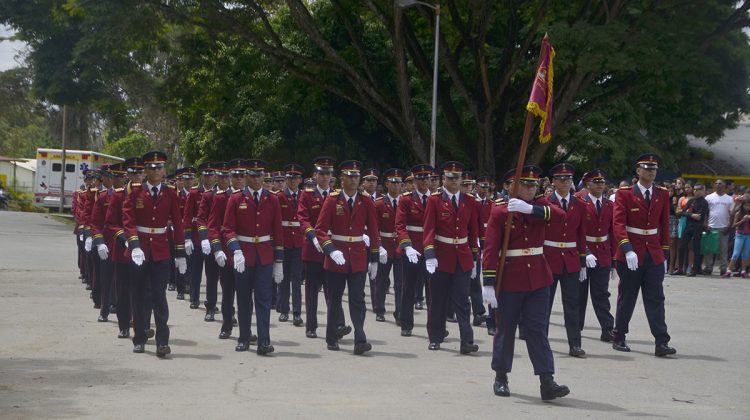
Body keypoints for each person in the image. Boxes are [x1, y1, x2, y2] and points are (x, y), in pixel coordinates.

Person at [481, 165, 569, 400]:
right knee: (506, 329)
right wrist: (488, 282)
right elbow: (491, 249)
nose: (531, 188)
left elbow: (561, 217)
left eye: (534, 184)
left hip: (538, 278)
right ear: (513, 186)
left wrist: (531, 210)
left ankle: (546, 381)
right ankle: (501, 376)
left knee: (537, 329)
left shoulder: (539, 206)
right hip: (510, 278)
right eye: (525, 184)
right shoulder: (501, 211)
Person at [122, 151, 188, 357]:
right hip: (139, 250)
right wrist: (134, 246)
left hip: (160, 250)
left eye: (159, 167)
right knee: (139, 295)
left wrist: (180, 253)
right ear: (145, 171)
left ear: (164, 170)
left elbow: (178, 223)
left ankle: (162, 341)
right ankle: (139, 337)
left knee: (159, 296)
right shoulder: (134, 192)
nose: (156, 171)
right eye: (151, 168)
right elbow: (128, 221)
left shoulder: (170, 194)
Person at [611, 153, 676, 357]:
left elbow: (664, 225)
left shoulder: (662, 194)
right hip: (631, 252)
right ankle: (619, 336)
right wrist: (626, 248)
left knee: (656, 298)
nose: (651, 172)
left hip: (653, 253)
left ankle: (661, 341)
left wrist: (664, 254)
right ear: (638, 171)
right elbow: (618, 224)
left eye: (654, 169)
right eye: (647, 168)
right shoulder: (625, 194)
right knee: (627, 297)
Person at [315, 160, 380, 355]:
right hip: (337, 257)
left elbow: (374, 230)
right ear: (342, 179)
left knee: (357, 299)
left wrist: (374, 257)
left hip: (358, 257)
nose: (353, 180)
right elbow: (320, 229)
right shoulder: (332, 200)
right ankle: (332, 336)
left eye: (356, 177)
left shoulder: (366, 200)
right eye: (349, 177)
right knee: (334, 299)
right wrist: (330, 249)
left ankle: (360, 338)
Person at [222, 159, 284, 355]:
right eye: (253, 175)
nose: (257, 179)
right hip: (243, 255)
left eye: (260, 175)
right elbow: (227, 229)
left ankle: (264, 341)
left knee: (264, 300)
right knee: (243, 299)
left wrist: (279, 261)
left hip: (264, 256)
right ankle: (244, 337)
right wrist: (236, 249)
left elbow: (278, 232)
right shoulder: (236, 198)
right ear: (247, 176)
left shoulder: (272, 199)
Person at [423, 161, 479, 354]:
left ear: (462, 179)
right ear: (443, 179)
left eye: (457, 178)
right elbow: (429, 229)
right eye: (450, 177)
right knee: (438, 299)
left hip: (462, 256)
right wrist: (429, 253)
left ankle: (467, 341)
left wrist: (474, 257)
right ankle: (435, 337)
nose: (454, 181)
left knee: (463, 300)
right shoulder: (435, 200)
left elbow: (473, 231)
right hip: (441, 255)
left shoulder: (470, 201)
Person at [298, 157, 350, 340]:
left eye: (328, 173)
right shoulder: (307, 194)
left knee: (333, 289)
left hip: (332, 249)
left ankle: (338, 323)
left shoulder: (337, 195)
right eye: (322, 173)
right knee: (312, 291)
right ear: (315, 175)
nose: (325, 177)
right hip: (313, 249)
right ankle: (311, 326)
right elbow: (303, 219)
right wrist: (313, 237)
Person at [545, 163, 588, 358]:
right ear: (553, 182)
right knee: (544, 303)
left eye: (568, 179)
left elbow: (581, 235)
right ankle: (541, 341)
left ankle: (575, 344)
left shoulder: (579, 205)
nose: (565, 182)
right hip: (549, 258)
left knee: (572, 304)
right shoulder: (545, 203)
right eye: (561, 179)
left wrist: (582, 262)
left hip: (570, 259)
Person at [209, 159, 247, 340]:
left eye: (242, 176)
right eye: (235, 176)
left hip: (246, 252)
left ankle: (246, 330)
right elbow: (213, 226)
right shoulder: (220, 197)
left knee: (246, 293)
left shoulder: (251, 196)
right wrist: (217, 249)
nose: (239, 179)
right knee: (228, 292)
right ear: (230, 178)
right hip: (226, 251)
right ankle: (226, 325)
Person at [395, 164, 433, 337]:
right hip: (412, 249)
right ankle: (406, 323)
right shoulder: (406, 199)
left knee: (433, 290)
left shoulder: (436, 199)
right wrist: (407, 245)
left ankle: (434, 326)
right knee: (408, 288)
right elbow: (400, 225)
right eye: (420, 178)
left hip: (431, 249)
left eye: (426, 178)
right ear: (414, 180)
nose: (423, 182)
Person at [578, 169, 615, 342]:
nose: (600, 185)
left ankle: (607, 328)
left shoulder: (609, 205)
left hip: (603, 253)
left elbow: (613, 233)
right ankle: (575, 328)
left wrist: (614, 259)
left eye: (602, 181)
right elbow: (574, 231)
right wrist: (584, 252)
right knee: (579, 294)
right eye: (596, 182)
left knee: (601, 293)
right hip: (583, 253)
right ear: (587, 185)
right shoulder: (580, 203)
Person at [183, 162, 217, 309]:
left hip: (213, 238)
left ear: (215, 176)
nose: (208, 178)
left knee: (212, 273)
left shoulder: (218, 193)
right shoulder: (195, 192)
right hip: (198, 238)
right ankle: (194, 298)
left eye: (211, 175)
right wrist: (188, 237)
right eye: (206, 175)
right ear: (202, 176)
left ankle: (211, 301)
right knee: (196, 270)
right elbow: (188, 216)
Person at [196, 162, 227, 321]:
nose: (224, 179)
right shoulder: (209, 195)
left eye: (226, 176)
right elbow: (201, 219)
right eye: (221, 176)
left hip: (228, 240)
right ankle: (210, 307)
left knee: (228, 279)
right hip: (212, 238)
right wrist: (204, 238)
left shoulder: (234, 195)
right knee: (212, 276)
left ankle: (229, 311)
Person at [373, 168, 403, 324]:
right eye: (393, 182)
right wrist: (378, 246)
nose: (396, 186)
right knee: (382, 279)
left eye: (399, 183)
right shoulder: (379, 203)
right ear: (386, 184)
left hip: (400, 245)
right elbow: (374, 227)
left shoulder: (404, 201)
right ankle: (379, 309)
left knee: (400, 282)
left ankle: (399, 311)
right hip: (385, 244)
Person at [277, 163, 305, 326]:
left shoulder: (303, 195)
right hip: (284, 241)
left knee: (296, 279)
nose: (292, 181)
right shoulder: (279, 196)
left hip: (299, 241)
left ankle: (296, 312)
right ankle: (284, 310)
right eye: (290, 178)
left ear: (300, 180)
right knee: (284, 278)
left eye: (295, 178)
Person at [476, 175, 498, 335]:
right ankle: (478, 312)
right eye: (482, 187)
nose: (485, 190)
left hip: (490, 247)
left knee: (492, 283)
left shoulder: (493, 205)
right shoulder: (472, 203)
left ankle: (491, 318)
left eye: (487, 187)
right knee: (474, 282)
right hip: (476, 246)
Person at [704, 179, 734, 275]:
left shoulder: (729, 199)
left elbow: (732, 214)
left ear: (724, 186)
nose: (718, 185)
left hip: (723, 227)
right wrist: (706, 224)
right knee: (709, 248)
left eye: (720, 183)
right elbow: (705, 212)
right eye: (716, 183)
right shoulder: (709, 197)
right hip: (711, 226)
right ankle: (708, 267)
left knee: (723, 249)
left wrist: (729, 227)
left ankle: (723, 268)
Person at [678, 182, 708, 277]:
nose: (696, 191)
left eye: (698, 189)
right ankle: (680, 268)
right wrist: (691, 214)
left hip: (697, 227)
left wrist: (689, 214)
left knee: (696, 248)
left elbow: (699, 217)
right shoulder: (691, 201)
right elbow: (682, 212)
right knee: (681, 247)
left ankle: (695, 270)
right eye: (695, 189)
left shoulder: (704, 202)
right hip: (688, 226)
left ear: (703, 191)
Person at [723, 195, 750, 278]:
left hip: (748, 236)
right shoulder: (739, 213)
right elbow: (734, 225)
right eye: (746, 205)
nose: (747, 207)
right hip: (740, 235)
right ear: (742, 205)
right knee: (735, 254)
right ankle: (729, 270)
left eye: (749, 205)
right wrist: (743, 220)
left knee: (745, 254)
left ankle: (743, 271)